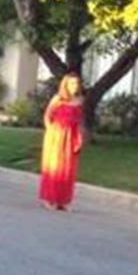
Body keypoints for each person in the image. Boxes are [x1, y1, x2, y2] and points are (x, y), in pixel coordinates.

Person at [38, 71, 85, 212]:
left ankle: (62, 201)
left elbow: (80, 121)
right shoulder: (58, 98)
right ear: (65, 85)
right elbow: (47, 116)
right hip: (56, 135)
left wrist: (80, 138)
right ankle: (49, 199)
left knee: (67, 169)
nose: (74, 86)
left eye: (76, 83)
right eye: (71, 83)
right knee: (55, 168)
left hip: (71, 136)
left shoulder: (80, 100)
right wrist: (51, 132)